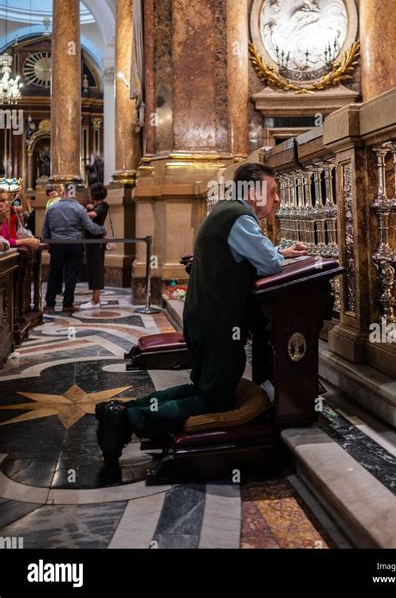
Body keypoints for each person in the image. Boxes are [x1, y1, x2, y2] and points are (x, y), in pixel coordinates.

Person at [95, 162, 307, 479]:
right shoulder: (240, 217)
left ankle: (122, 410)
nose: (277, 200)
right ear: (253, 192)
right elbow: (268, 263)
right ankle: (130, 421)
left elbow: (254, 253)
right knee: (214, 398)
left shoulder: (228, 212)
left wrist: (279, 251)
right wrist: (278, 255)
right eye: (273, 191)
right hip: (219, 326)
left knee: (202, 388)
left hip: (205, 320)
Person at [42, 183, 106, 314]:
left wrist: (50, 244)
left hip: (57, 244)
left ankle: (49, 304)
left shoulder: (52, 208)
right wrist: (103, 230)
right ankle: (67, 304)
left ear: (63, 192)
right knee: (71, 275)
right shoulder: (79, 208)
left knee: (54, 274)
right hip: (75, 245)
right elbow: (91, 227)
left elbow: (45, 231)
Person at [81, 183, 109, 310]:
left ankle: (96, 300)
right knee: (92, 269)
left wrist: (81, 213)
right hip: (91, 241)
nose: (88, 194)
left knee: (96, 270)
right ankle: (93, 299)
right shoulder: (97, 206)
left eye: (90, 192)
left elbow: (93, 215)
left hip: (96, 242)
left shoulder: (103, 206)